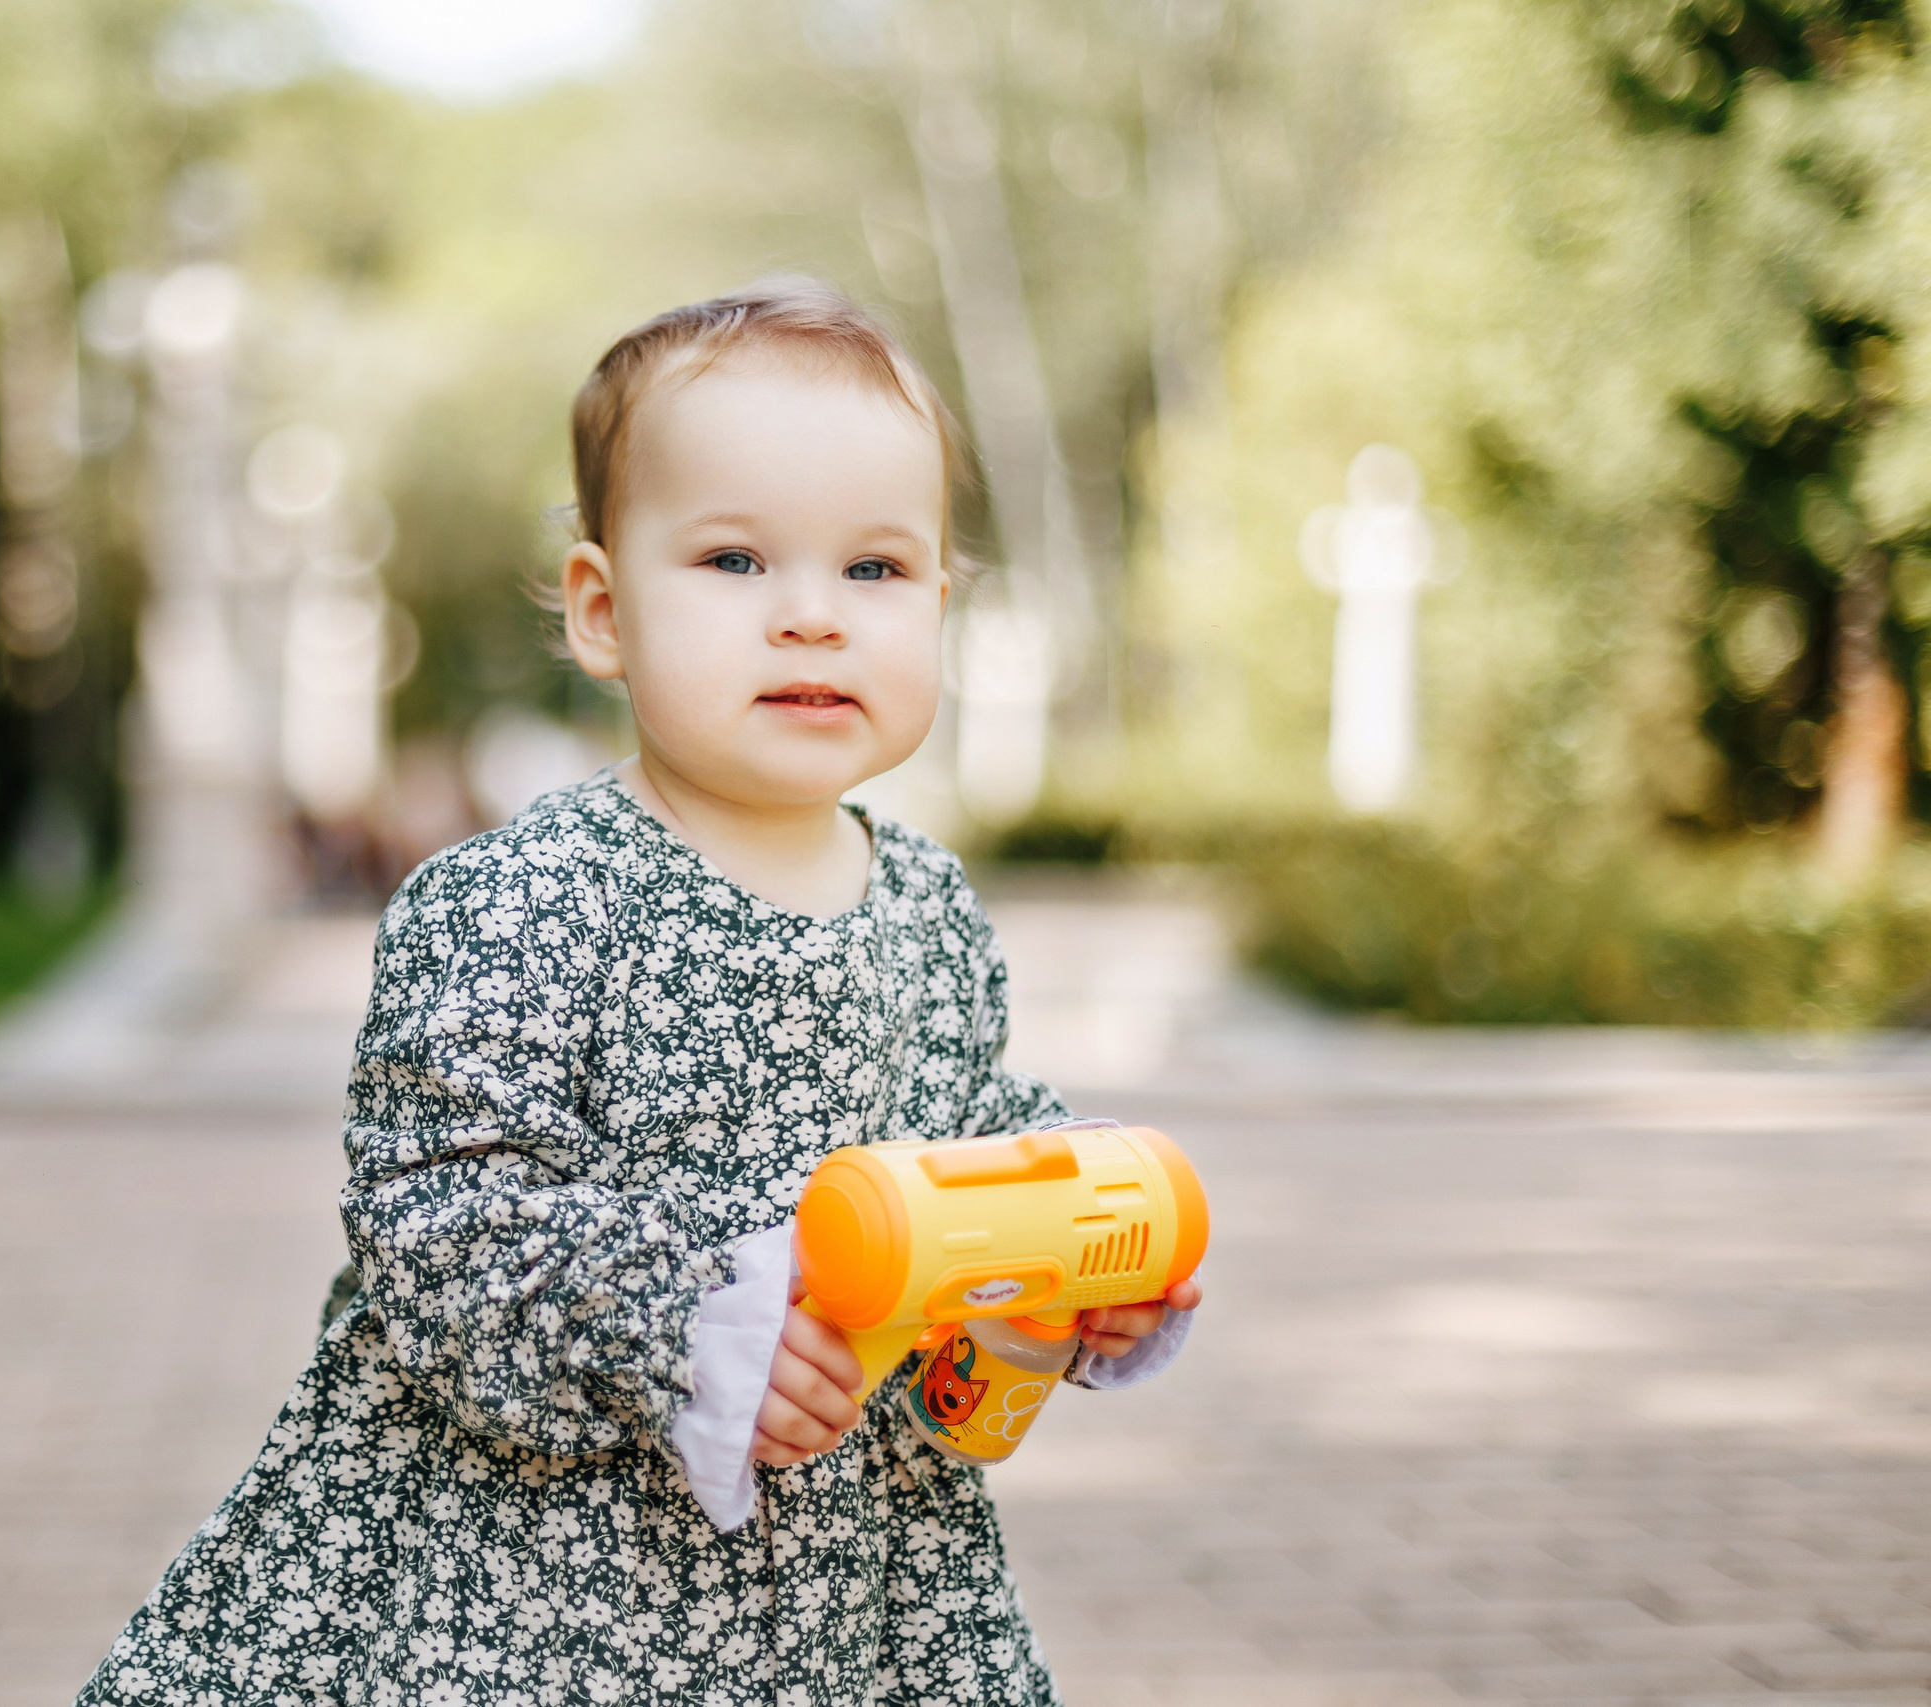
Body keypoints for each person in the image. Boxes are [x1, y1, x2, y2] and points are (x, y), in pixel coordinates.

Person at [73, 279, 1201, 1707]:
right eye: (735, 562)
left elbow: (973, 1164)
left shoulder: (930, 912)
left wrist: (1066, 1265)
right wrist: (694, 1318)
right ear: (604, 611)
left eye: (875, 570)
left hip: (854, 1605)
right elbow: (442, 1235)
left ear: (941, 601)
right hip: (540, 1593)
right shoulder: (519, 902)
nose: (811, 619)